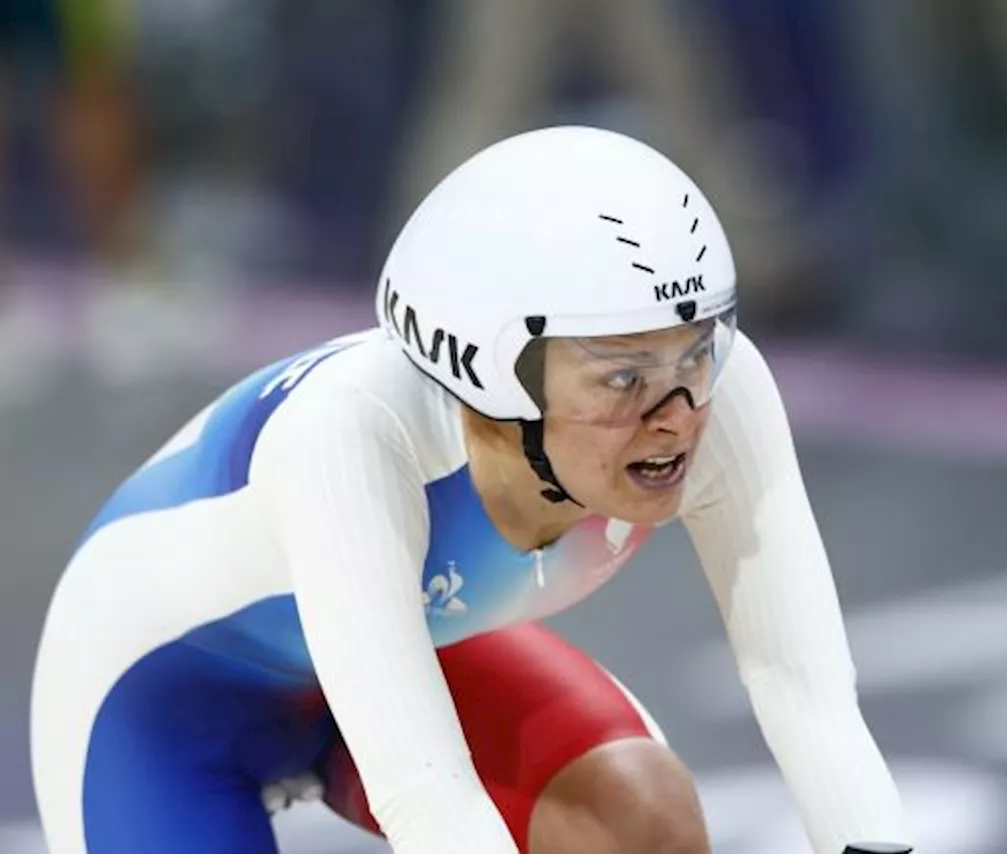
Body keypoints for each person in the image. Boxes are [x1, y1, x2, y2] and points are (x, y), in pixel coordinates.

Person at [30, 126, 913, 854]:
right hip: (158, 703)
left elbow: (804, 689)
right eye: (621, 377)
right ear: (487, 374)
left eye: (695, 351)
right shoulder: (348, 440)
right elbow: (432, 808)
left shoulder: (728, 393)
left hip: (396, 648)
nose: (679, 413)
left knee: (638, 820)